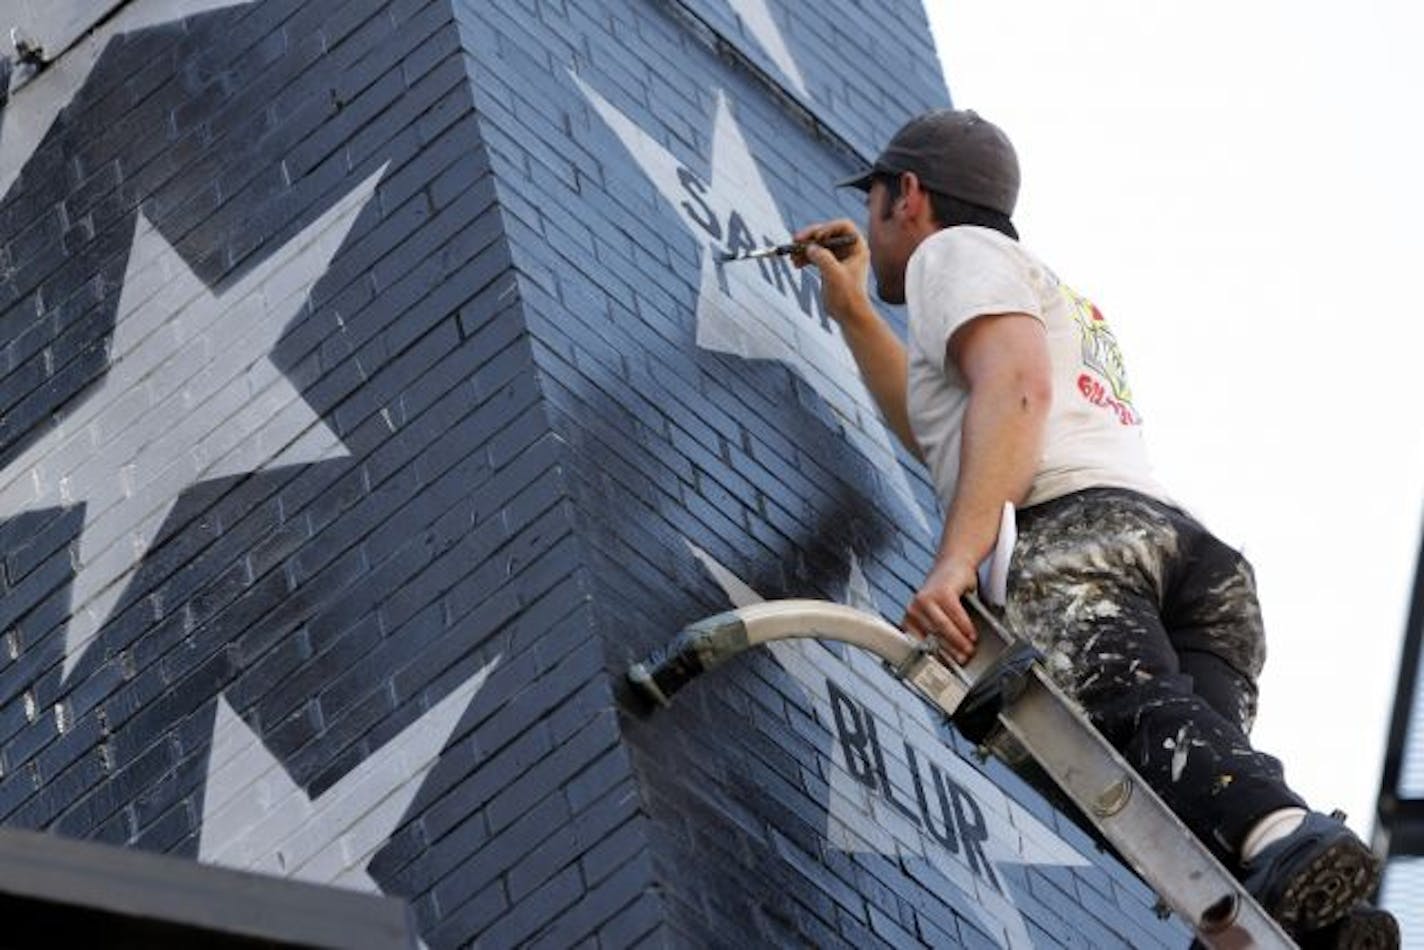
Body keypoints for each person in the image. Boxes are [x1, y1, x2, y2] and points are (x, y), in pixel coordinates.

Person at [792, 108, 1397, 947]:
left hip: (1081, 541)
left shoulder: (950, 254)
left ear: (910, 195)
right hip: (1189, 560)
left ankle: (1289, 837)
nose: (871, 219)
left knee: (1146, 728)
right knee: (1185, 789)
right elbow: (953, 432)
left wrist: (955, 564)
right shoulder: (1033, 283)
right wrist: (856, 310)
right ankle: (1325, 927)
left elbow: (1017, 393)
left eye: (875, 200)